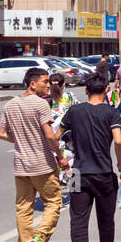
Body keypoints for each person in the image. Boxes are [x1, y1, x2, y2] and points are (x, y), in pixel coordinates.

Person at [60, 74, 121, 242]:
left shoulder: (74, 111)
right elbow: (118, 139)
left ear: (86, 90)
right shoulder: (111, 112)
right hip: (104, 173)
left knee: (78, 219)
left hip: (78, 172)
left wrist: (61, 158)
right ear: (106, 89)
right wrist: (120, 162)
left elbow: (54, 137)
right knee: (105, 219)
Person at [0, 66, 66, 242]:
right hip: (42, 164)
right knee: (53, 202)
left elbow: (2, 134)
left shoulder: (9, 105)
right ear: (32, 84)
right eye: (45, 81)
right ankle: (40, 238)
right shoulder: (41, 104)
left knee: (23, 208)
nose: (48, 85)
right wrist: (60, 156)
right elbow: (49, 136)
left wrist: (21, 141)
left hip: (21, 166)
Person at [46, 72, 75, 206]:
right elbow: (77, 111)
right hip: (66, 137)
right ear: (64, 84)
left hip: (49, 138)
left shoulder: (45, 99)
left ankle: (54, 199)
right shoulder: (68, 96)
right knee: (77, 160)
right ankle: (75, 193)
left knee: (54, 168)